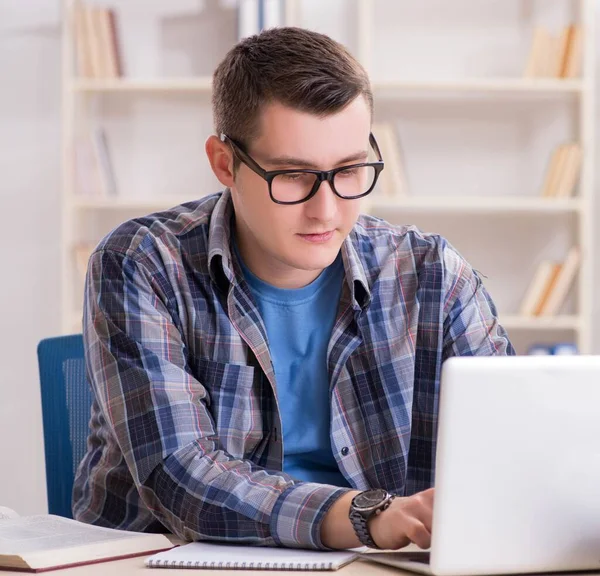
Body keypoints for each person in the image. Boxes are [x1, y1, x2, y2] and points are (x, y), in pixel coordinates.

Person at [73, 26, 514, 552]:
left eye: (349, 170)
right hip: (167, 561)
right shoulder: (142, 264)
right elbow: (180, 475)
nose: (326, 210)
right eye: (292, 176)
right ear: (224, 163)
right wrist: (366, 516)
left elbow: (511, 447)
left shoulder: (433, 274)